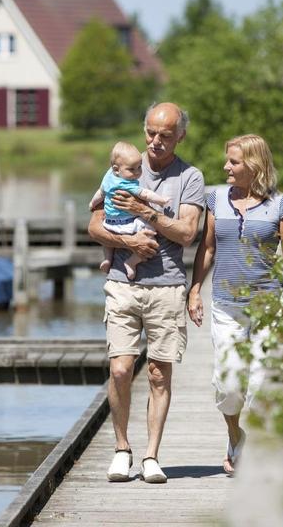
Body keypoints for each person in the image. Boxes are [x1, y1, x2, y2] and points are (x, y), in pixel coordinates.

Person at [88, 102, 205, 484]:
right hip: (122, 284)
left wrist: (146, 211)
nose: (155, 142)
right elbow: (94, 226)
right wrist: (133, 243)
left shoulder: (190, 177)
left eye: (165, 136)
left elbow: (187, 233)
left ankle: (151, 456)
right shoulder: (119, 167)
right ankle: (122, 449)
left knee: (158, 374)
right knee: (120, 369)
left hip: (168, 286)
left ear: (180, 136)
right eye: (151, 133)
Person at [187, 134, 283, 476]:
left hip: (268, 305)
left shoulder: (280, 203)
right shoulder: (215, 199)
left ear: (254, 165)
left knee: (263, 382)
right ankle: (236, 437)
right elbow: (206, 249)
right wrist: (194, 290)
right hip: (225, 305)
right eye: (228, 161)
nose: (226, 167)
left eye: (233, 162)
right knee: (229, 382)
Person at [89, 141, 170, 279]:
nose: (137, 172)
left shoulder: (108, 177)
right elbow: (145, 194)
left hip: (109, 223)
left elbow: (100, 193)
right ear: (116, 169)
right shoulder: (127, 184)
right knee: (151, 232)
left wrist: (92, 203)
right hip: (128, 222)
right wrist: (161, 200)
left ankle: (107, 259)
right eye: (132, 169)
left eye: (139, 167)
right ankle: (131, 262)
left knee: (107, 241)